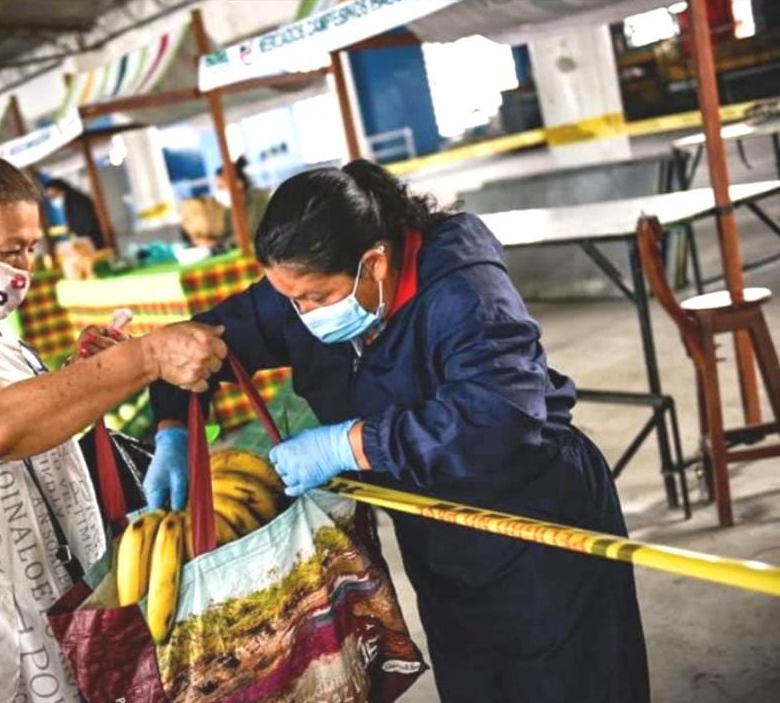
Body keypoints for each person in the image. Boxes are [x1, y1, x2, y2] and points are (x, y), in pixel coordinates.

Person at [143, 160, 650, 702]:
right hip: (436, 530)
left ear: (375, 263)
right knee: (478, 682)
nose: (300, 312)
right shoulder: (306, 287)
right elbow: (202, 343)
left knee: (570, 685)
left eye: (314, 297)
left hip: (534, 522)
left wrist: (349, 443)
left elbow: (499, 421)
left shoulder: (464, 290)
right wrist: (173, 427)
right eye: (290, 298)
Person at [0, 154, 226, 702]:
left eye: (31, 248)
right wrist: (142, 360)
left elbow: (28, 420)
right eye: (9, 251)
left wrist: (81, 378)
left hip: (60, 604)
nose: (24, 267)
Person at [214, 155, 270, 242]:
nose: (219, 191)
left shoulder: (259, 199)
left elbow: (252, 232)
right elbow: (225, 235)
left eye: (222, 186)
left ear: (238, 183)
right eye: (218, 187)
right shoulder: (230, 209)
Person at [43, 177, 106, 250]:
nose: (52, 200)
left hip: (92, 241)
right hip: (89, 240)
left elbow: (86, 224)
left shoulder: (75, 200)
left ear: (59, 189)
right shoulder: (71, 199)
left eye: (53, 196)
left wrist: (77, 236)